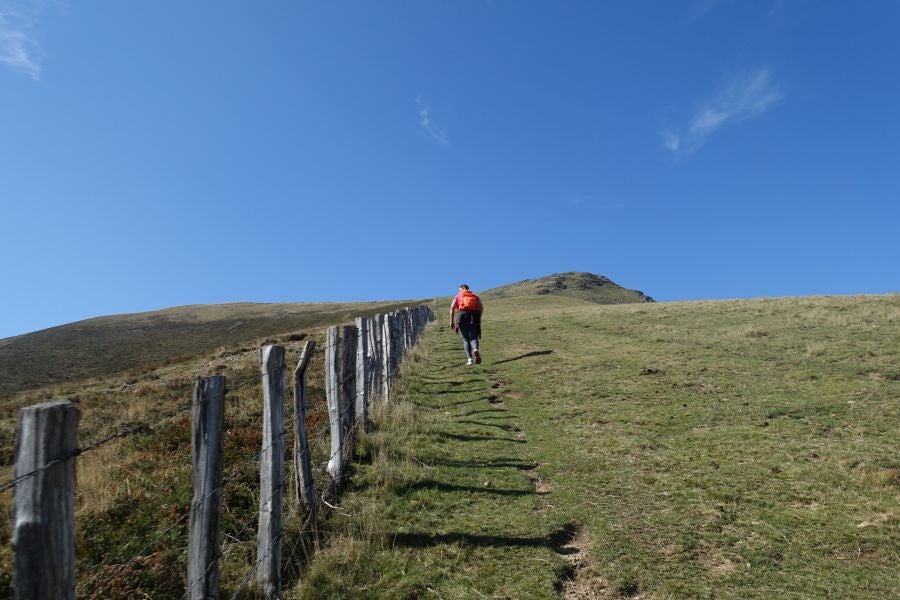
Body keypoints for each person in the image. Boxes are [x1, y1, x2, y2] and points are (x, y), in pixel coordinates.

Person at [450, 284, 483, 365]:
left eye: (459, 289)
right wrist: (478, 318)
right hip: (474, 317)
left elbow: (452, 307)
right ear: (468, 288)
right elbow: (481, 307)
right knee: (474, 337)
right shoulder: (474, 295)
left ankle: (469, 359)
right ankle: (475, 349)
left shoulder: (458, 296)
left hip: (462, 316)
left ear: (461, 289)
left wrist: (451, 321)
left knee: (465, 339)